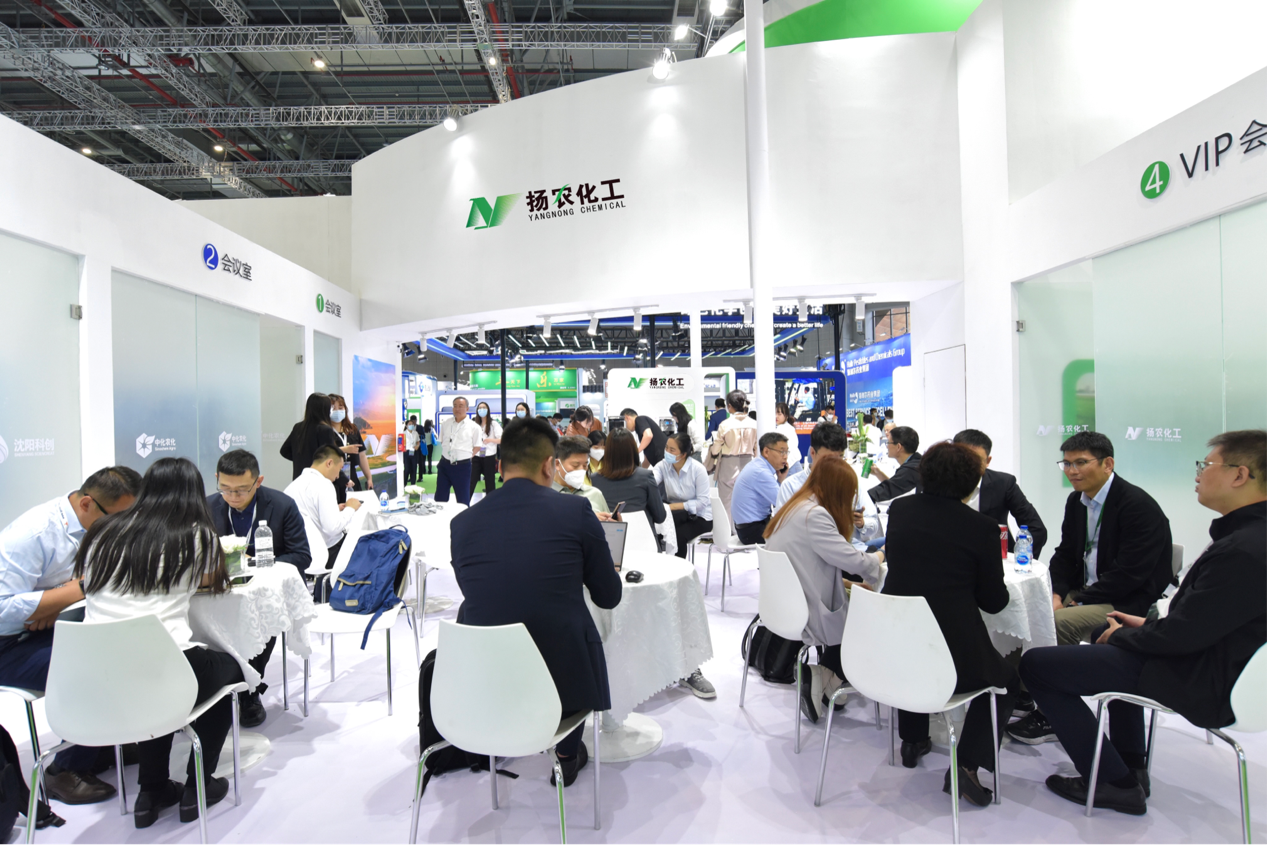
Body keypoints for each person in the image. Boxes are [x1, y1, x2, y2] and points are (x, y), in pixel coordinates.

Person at [1019, 430, 1267, 817]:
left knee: (1038, 665)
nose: (1199, 474)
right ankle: (1131, 764)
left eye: (1206, 465)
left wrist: (1128, 634)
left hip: (1201, 674)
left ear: (1240, 475)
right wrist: (1140, 626)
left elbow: (1182, 632)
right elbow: (1204, 618)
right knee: (1106, 640)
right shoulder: (1246, 537)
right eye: (1067, 463)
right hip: (1206, 654)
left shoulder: (1242, 549)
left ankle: (1112, 783)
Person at [449, 417, 622, 787]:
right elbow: (609, 596)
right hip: (565, 683)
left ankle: (500, 739)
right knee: (574, 623)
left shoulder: (462, 524)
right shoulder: (576, 512)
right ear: (549, 465)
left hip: (485, 679)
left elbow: (475, 593)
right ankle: (566, 755)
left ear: (499, 467)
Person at [75, 457, 245, 828]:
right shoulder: (195, 534)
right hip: (166, 667)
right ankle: (199, 784)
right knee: (230, 670)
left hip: (97, 677)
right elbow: (212, 580)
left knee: (154, 689)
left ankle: (150, 792)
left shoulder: (102, 532)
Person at [1008, 430, 1173, 745]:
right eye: (1067, 464)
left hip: (1125, 600)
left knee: (1057, 623)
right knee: (1028, 610)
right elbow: (1065, 554)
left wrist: (1077, 602)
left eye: (1081, 463)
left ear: (1108, 464)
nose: (1072, 471)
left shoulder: (1137, 506)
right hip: (1089, 590)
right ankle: (1023, 692)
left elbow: (1131, 574)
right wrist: (1057, 593)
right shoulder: (1077, 501)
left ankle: (1051, 712)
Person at [882, 441, 1016, 807]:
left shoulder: (901, 510)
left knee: (916, 645)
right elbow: (993, 601)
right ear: (972, 483)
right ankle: (966, 765)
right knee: (1006, 680)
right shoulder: (982, 527)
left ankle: (912, 741)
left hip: (892, 642)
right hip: (950, 653)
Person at [0, 466, 141, 806]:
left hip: (46, 627)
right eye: (116, 519)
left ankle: (100, 743)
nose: (121, 528)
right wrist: (67, 593)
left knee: (124, 646)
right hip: (7, 646)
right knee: (92, 668)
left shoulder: (92, 525)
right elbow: (3, 609)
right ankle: (63, 771)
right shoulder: (33, 535)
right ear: (87, 504)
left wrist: (51, 603)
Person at [763, 455, 884, 723]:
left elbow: (805, 564)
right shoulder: (815, 515)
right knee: (868, 615)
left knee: (855, 598)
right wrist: (881, 556)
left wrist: (848, 583)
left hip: (786, 602)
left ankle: (829, 683)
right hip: (805, 608)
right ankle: (828, 676)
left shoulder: (796, 506)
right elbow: (851, 560)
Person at [206, 449, 311, 727]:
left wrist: (258, 562)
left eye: (241, 489)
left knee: (263, 618)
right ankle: (218, 690)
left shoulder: (282, 505)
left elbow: (302, 556)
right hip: (220, 593)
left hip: (265, 592)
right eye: (225, 488)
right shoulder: (206, 507)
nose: (232, 496)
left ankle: (250, 693)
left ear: (258, 481)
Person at [777, 422, 882, 552]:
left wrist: (861, 523)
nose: (835, 465)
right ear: (812, 453)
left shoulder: (851, 482)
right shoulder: (791, 486)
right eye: (828, 459)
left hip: (849, 551)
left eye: (840, 458)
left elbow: (873, 523)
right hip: (808, 553)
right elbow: (782, 530)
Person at [952, 429, 1048, 557]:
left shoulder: (1003, 484)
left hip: (996, 558)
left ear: (988, 461)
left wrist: (1019, 559)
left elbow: (1036, 529)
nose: (968, 466)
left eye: (976, 460)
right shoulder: (938, 484)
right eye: (962, 459)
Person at [283, 445, 361, 575]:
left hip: (300, 554)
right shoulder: (324, 484)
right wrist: (350, 508)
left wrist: (335, 509)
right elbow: (332, 528)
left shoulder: (292, 486)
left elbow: (308, 516)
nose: (338, 476)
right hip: (327, 552)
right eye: (340, 469)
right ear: (329, 463)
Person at [590, 428, 668, 542]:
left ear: (608, 450)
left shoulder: (594, 480)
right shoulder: (646, 477)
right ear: (633, 450)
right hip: (644, 542)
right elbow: (660, 517)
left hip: (608, 543)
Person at [281, 394, 358, 495]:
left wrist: (301, 459)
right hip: (319, 483)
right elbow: (331, 458)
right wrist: (345, 480)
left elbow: (284, 451)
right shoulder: (325, 430)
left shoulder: (298, 427)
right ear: (324, 410)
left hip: (299, 480)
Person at [654, 432, 712, 558]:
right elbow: (652, 481)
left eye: (672, 450)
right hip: (677, 515)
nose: (667, 452)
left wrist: (672, 507)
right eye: (666, 448)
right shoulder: (663, 465)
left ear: (683, 454)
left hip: (700, 517)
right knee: (657, 528)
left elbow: (702, 503)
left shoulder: (698, 469)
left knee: (677, 534)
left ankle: (678, 568)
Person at [708, 390, 758, 526]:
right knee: (746, 499)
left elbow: (715, 450)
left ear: (729, 405)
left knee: (726, 500)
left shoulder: (725, 424)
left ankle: (728, 530)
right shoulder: (754, 424)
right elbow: (756, 449)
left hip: (728, 464)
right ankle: (744, 529)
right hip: (748, 462)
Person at [731, 432, 790, 545]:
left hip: (749, 527)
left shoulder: (757, 465)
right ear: (766, 452)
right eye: (782, 452)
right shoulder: (761, 472)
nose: (785, 456)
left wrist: (780, 480)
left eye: (787, 452)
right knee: (796, 535)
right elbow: (784, 503)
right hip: (752, 531)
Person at [435, 397, 484, 505]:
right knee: (440, 497)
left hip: (462, 466)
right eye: (455, 406)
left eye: (461, 406)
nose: (457, 409)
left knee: (463, 499)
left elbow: (477, 446)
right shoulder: (446, 423)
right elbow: (443, 441)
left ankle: (464, 516)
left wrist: (465, 456)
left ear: (467, 408)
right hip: (444, 464)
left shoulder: (474, 427)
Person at [553, 436, 609, 514]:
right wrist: (589, 518)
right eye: (575, 465)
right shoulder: (544, 496)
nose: (581, 470)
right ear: (557, 464)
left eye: (585, 465)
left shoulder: (595, 494)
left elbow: (607, 520)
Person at [867, 425, 923, 502]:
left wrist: (861, 498)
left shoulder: (910, 470)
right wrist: (878, 473)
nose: (887, 446)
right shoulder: (917, 462)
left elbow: (884, 491)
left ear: (898, 447)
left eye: (888, 442)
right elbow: (896, 485)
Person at [329, 394, 370, 500]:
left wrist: (369, 477)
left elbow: (362, 455)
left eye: (340, 408)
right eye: (333, 408)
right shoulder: (325, 432)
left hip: (352, 475)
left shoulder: (352, 429)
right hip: (333, 479)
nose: (337, 411)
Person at [469, 401, 503, 498]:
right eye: (480, 408)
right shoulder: (474, 424)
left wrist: (490, 440)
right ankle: (465, 502)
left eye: (484, 408)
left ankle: (491, 503)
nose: (482, 410)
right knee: (472, 480)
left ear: (488, 410)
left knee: (489, 481)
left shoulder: (493, 424)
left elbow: (502, 439)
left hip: (489, 456)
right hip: (477, 455)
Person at [774, 402, 802, 473]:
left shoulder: (786, 429)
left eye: (779, 414)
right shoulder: (781, 428)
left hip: (791, 466)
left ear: (786, 416)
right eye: (775, 413)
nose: (776, 416)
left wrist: (784, 466)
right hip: (789, 465)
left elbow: (791, 449)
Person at [402, 415, 422, 486]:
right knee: (407, 469)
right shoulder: (403, 433)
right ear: (406, 425)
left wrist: (417, 446)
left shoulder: (415, 433)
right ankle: (404, 484)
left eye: (412, 424)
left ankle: (413, 484)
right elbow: (400, 443)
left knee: (414, 468)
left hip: (414, 452)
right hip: (406, 452)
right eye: (409, 424)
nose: (411, 425)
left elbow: (418, 441)